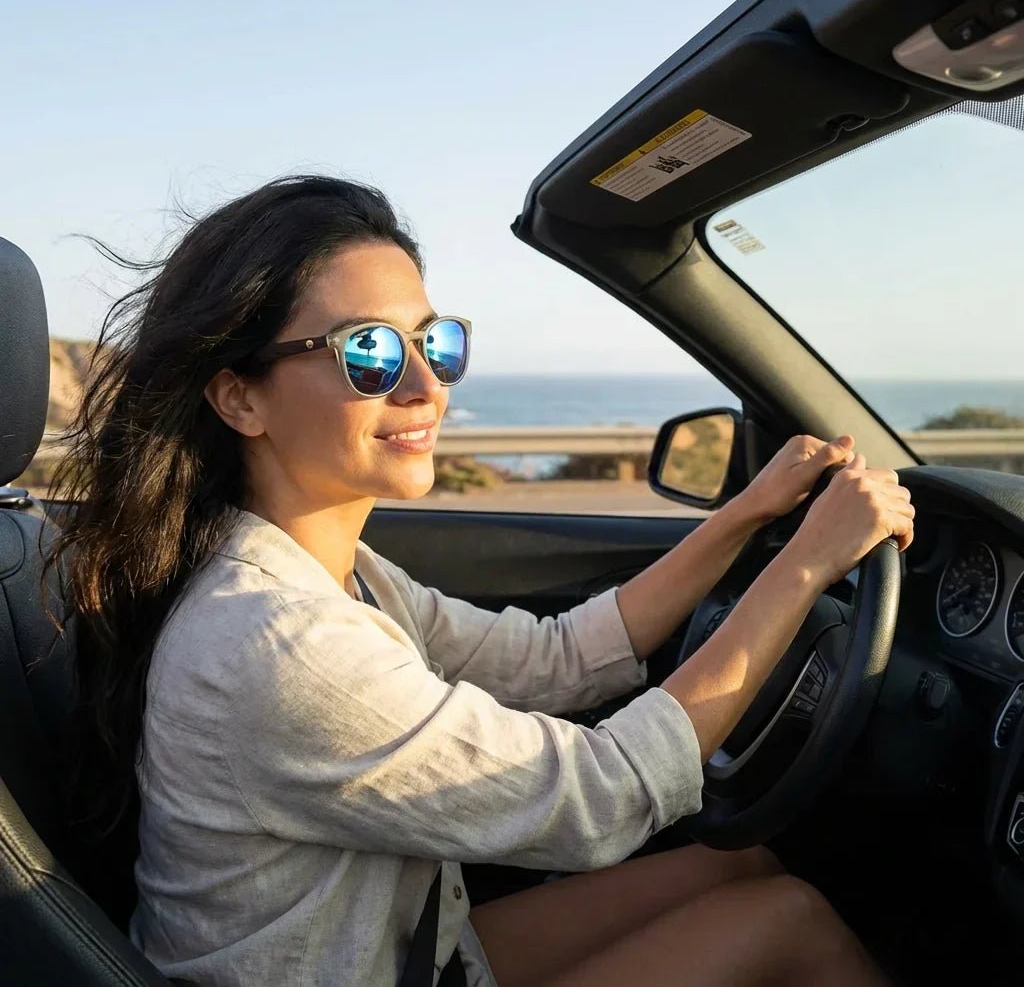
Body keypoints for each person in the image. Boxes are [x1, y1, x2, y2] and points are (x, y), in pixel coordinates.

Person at [50, 175, 913, 987]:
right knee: (788, 920)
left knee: (746, 864)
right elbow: (602, 796)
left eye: (435, 342)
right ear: (241, 400)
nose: (427, 386)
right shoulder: (278, 642)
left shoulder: (328, 578)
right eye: (371, 353)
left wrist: (746, 517)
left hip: (402, 952)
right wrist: (805, 565)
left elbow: (558, 656)